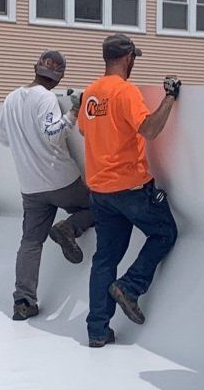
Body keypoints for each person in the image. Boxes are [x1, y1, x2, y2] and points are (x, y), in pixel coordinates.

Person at [75, 34, 180, 348]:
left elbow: (83, 127)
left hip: (100, 190)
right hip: (131, 187)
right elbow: (149, 129)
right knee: (165, 233)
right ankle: (130, 287)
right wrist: (170, 97)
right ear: (128, 58)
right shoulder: (125, 91)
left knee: (105, 258)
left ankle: (97, 330)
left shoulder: (91, 93)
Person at [0, 50, 94, 321]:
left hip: (30, 186)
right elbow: (54, 134)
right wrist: (74, 111)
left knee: (30, 242)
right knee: (100, 206)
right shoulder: (47, 97)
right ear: (59, 76)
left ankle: (23, 302)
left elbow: (4, 138)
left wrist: (25, 138)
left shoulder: (11, 98)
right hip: (61, 178)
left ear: (34, 67)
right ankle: (68, 228)